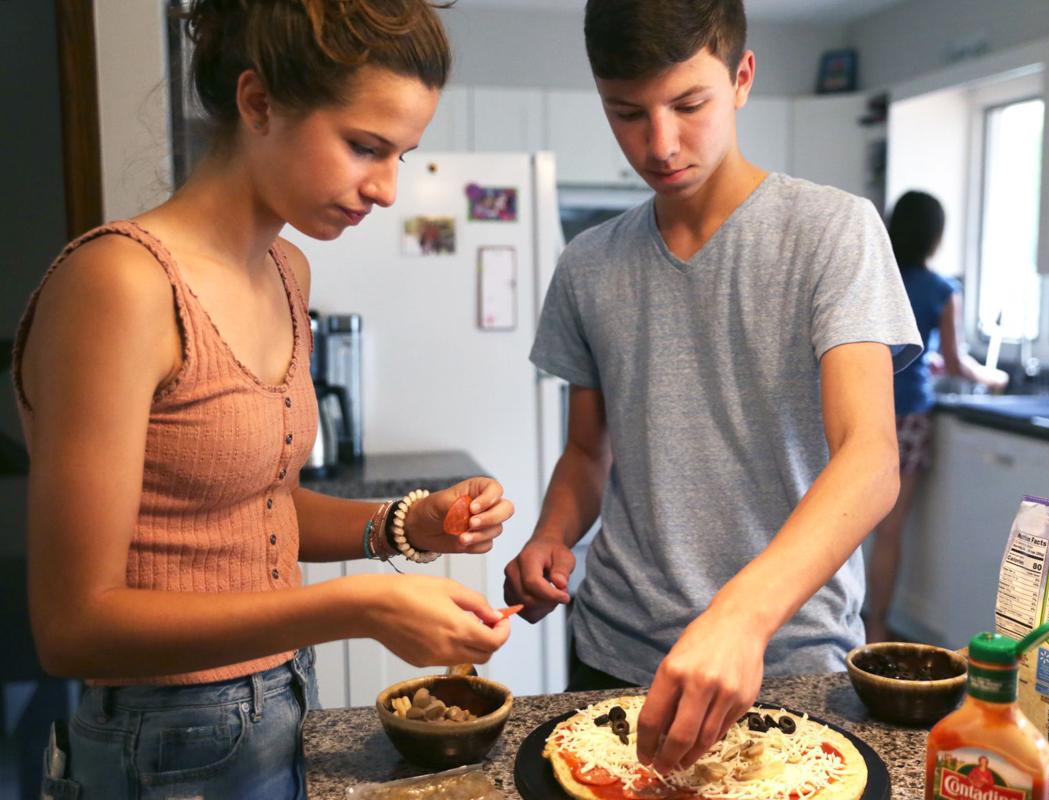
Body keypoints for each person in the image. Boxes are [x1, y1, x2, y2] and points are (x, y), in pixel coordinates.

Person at [13, 2, 513, 797]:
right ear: (258, 103)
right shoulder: (120, 285)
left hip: (281, 703)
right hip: (163, 740)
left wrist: (405, 524)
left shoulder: (288, 272)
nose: (386, 189)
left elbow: (261, 509)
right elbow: (75, 628)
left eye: (402, 156)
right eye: (363, 147)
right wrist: (358, 609)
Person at [503, 0, 921, 777]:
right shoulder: (587, 266)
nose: (659, 144)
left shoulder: (833, 231)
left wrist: (740, 614)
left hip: (786, 658)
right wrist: (551, 535)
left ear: (741, 79)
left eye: (688, 105)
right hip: (614, 655)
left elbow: (869, 459)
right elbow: (588, 453)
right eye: (626, 113)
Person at [864, 190, 1009, 643]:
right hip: (907, 415)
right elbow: (957, 358)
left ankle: (845, 625)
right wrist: (995, 379)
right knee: (889, 530)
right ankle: (877, 629)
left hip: (863, 405)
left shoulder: (874, 277)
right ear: (935, 235)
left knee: (847, 525)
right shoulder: (942, 289)